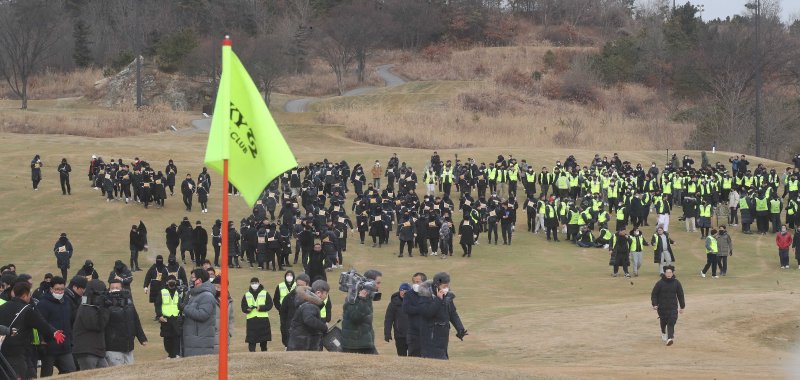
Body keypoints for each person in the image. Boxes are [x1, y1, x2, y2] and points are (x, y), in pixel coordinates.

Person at [0, 282, 65, 378]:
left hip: (2, 353)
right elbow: (42, 324)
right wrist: (54, 332)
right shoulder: (27, 310)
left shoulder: (2, 307)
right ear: (25, 295)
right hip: (17, 353)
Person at [33, 277, 76, 377]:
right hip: (49, 347)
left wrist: (71, 340)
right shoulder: (43, 304)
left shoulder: (67, 302)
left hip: (65, 346)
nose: (60, 292)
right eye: (57, 289)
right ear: (51, 289)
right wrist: (42, 341)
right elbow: (39, 324)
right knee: (47, 375)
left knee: (71, 372)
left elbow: (70, 321)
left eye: (62, 289)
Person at [418, 272, 467, 360]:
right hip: (430, 335)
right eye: (444, 286)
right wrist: (438, 299)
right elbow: (427, 313)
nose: (446, 288)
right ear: (437, 285)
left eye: (447, 286)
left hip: (443, 335)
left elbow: (452, 313)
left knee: (443, 359)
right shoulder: (425, 295)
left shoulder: (448, 296)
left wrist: (460, 329)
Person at [104, 279, 147, 366]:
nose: (115, 290)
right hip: (113, 347)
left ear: (122, 289)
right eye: (112, 288)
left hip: (128, 347)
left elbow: (135, 320)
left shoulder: (129, 302)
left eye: (117, 288)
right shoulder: (105, 303)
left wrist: (142, 338)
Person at [72, 279, 112, 370]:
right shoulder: (86, 307)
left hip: (95, 350)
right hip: (87, 350)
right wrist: (105, 308)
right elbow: (98, 325)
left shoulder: (91, 306)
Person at [342, 269, 382, 354]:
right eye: (377, 283)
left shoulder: (365, 297)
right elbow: (355, 318)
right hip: (355, 346)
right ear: (369, 282)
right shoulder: (353, 297)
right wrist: (362, 300)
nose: (379, 286)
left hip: (363, 343)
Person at [182, 269, 217, 357]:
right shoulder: (194, 294)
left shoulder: (207, 296)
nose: (191, 280)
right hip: (193, 340)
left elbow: (202, 315)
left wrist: (184, 308)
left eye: (193, 278)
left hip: (200, 340)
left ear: (199, 280)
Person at [287, 280, 329, 351]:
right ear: (319, 293)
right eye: (326, 293)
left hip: (301, 343)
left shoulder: (307, 303)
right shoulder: (310, 305)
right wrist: (324, 327)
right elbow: (309, 319)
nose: (326, 296)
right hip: (302, 345)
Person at [651, 265, 685, 346]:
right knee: (663, 322)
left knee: (671, 322)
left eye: (670, 272)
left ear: (672, 273)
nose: (669, 274)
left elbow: (680, 295)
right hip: (662, 307)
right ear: (664, 273)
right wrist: (655, 304)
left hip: (673, 307)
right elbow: (654, 294)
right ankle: (663, 332)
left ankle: (670, 338)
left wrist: (682, 306)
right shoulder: (659, 283)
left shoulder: (677, 283)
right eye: (667, 272)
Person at [241, 277, 273, 352]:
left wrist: (261, 308)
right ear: (250, 284)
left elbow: (270, 305)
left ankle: (264, 355)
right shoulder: (246, 294)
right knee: (251, 341)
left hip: (263, 320)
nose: (254, 284)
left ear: (258, 283)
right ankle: (251, 356)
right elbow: (243, 307)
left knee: (264, 341)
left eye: (256, 283)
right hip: (251, 321)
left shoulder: (265, 293)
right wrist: (247, 310)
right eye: (252, 283)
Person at [156, 275, 183, 359]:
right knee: (167, 337)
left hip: (176, 317)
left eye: (173, 280)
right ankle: (170, 354)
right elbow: (158, 304)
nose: (171, 282)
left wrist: (181, 315)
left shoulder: (179, 292)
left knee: (176, 336)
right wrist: (159, 315)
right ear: (166, 282)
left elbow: (181, 304)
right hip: (166, 318)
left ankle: (176, 354)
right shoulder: (162, 291)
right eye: (170, 280)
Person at [384, 283, 411, 356]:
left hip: (412, 335)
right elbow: (388, 319)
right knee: (402, 356)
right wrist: (387, 333)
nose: (403, 292)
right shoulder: (394, 303)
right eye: (401, 290)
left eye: (406, 290)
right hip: (400, 335)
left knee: (414, 357)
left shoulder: (413, 302)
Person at [273, 270, 297, 348]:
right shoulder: (280, 286)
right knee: (284, 328)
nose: (289, 277)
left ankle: (294, 345)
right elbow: (276, 299)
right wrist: (280, 309)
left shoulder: (297, 286)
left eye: (291, 275)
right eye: (287, 275)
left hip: (295, 312)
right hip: (283, 313)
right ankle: (286, 345)